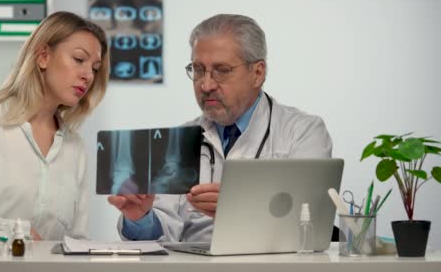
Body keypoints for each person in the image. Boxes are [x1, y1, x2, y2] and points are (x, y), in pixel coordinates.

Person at [108, 14, 332, 242]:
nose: (206, 85)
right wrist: (141, 218)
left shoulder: (302, 132)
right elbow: (163, 231)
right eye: (198, 70)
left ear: (258, 73)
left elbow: (309, 224)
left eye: (222, 70)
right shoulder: (178, 142)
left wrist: (240, 209)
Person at [0, 11, 110, 242]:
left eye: (95, 68)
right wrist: (18, 233)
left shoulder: (75, 146)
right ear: (43, 56)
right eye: (78, 59)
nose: (88, 75)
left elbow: (77, 240)